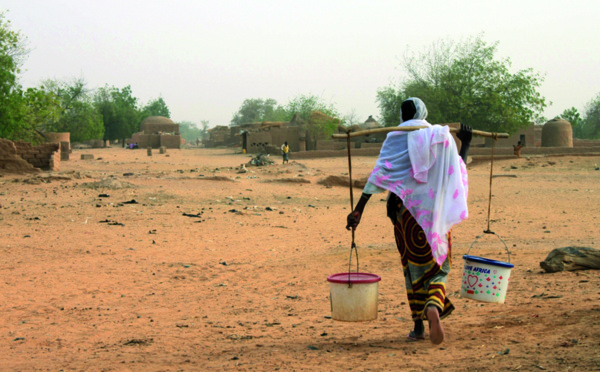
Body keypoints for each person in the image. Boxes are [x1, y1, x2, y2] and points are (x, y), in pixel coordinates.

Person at [346, 97, 472, 345]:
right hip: (432, 216)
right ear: (424, 112)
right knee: (438, 266)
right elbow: (457, 171)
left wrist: (358, 209)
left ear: (402, 116)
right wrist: (466, 143)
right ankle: (434, 305)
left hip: (404, 217)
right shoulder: (440, 137)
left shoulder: (395, 137)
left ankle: (418, 326)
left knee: (411, 267)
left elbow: (379, 175)